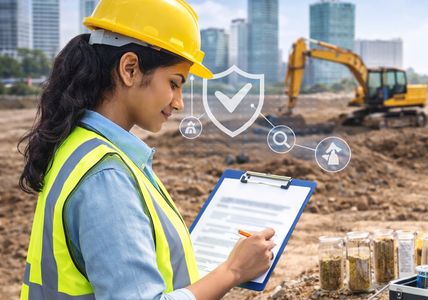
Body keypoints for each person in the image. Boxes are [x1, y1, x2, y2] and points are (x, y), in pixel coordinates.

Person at [18, 1, 275, 299]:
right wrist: (232, 271)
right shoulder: (106, 177)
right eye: (174, 83)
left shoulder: (79, 146)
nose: (179, 102)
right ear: (130, 69)